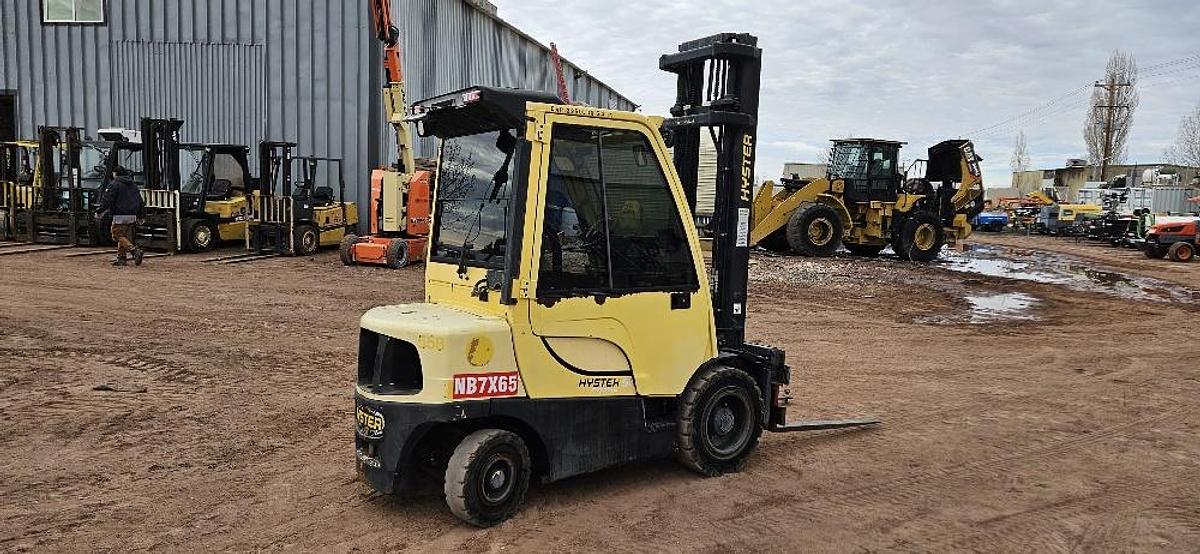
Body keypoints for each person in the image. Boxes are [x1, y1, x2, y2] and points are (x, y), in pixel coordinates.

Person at [97, 167, 144, 266]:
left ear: (116, 173)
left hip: (120, 214)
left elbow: (107, 199)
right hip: (132, 215)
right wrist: (140, 215)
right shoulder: (133, 185)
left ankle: (134, 251)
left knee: (116, 235)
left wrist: (100, 210)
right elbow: (140, 200)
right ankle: (121, 258)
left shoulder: (114, 184)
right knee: (124, 236)